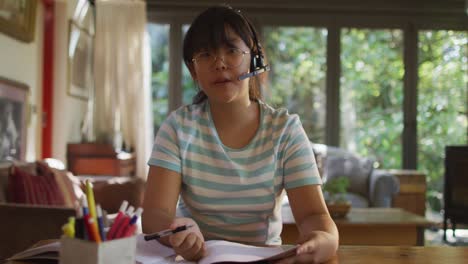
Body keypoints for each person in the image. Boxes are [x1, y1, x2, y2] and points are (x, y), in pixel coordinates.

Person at [142, 4, 338, 263]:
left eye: (231, 50)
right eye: (205, 54)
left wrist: (321, 239)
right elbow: (155, 213)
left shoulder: (285, 130)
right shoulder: (178, 127)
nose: (219, 64)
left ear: (255, 59)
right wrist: (177, 232)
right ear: (193, 71)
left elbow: (315, 216)